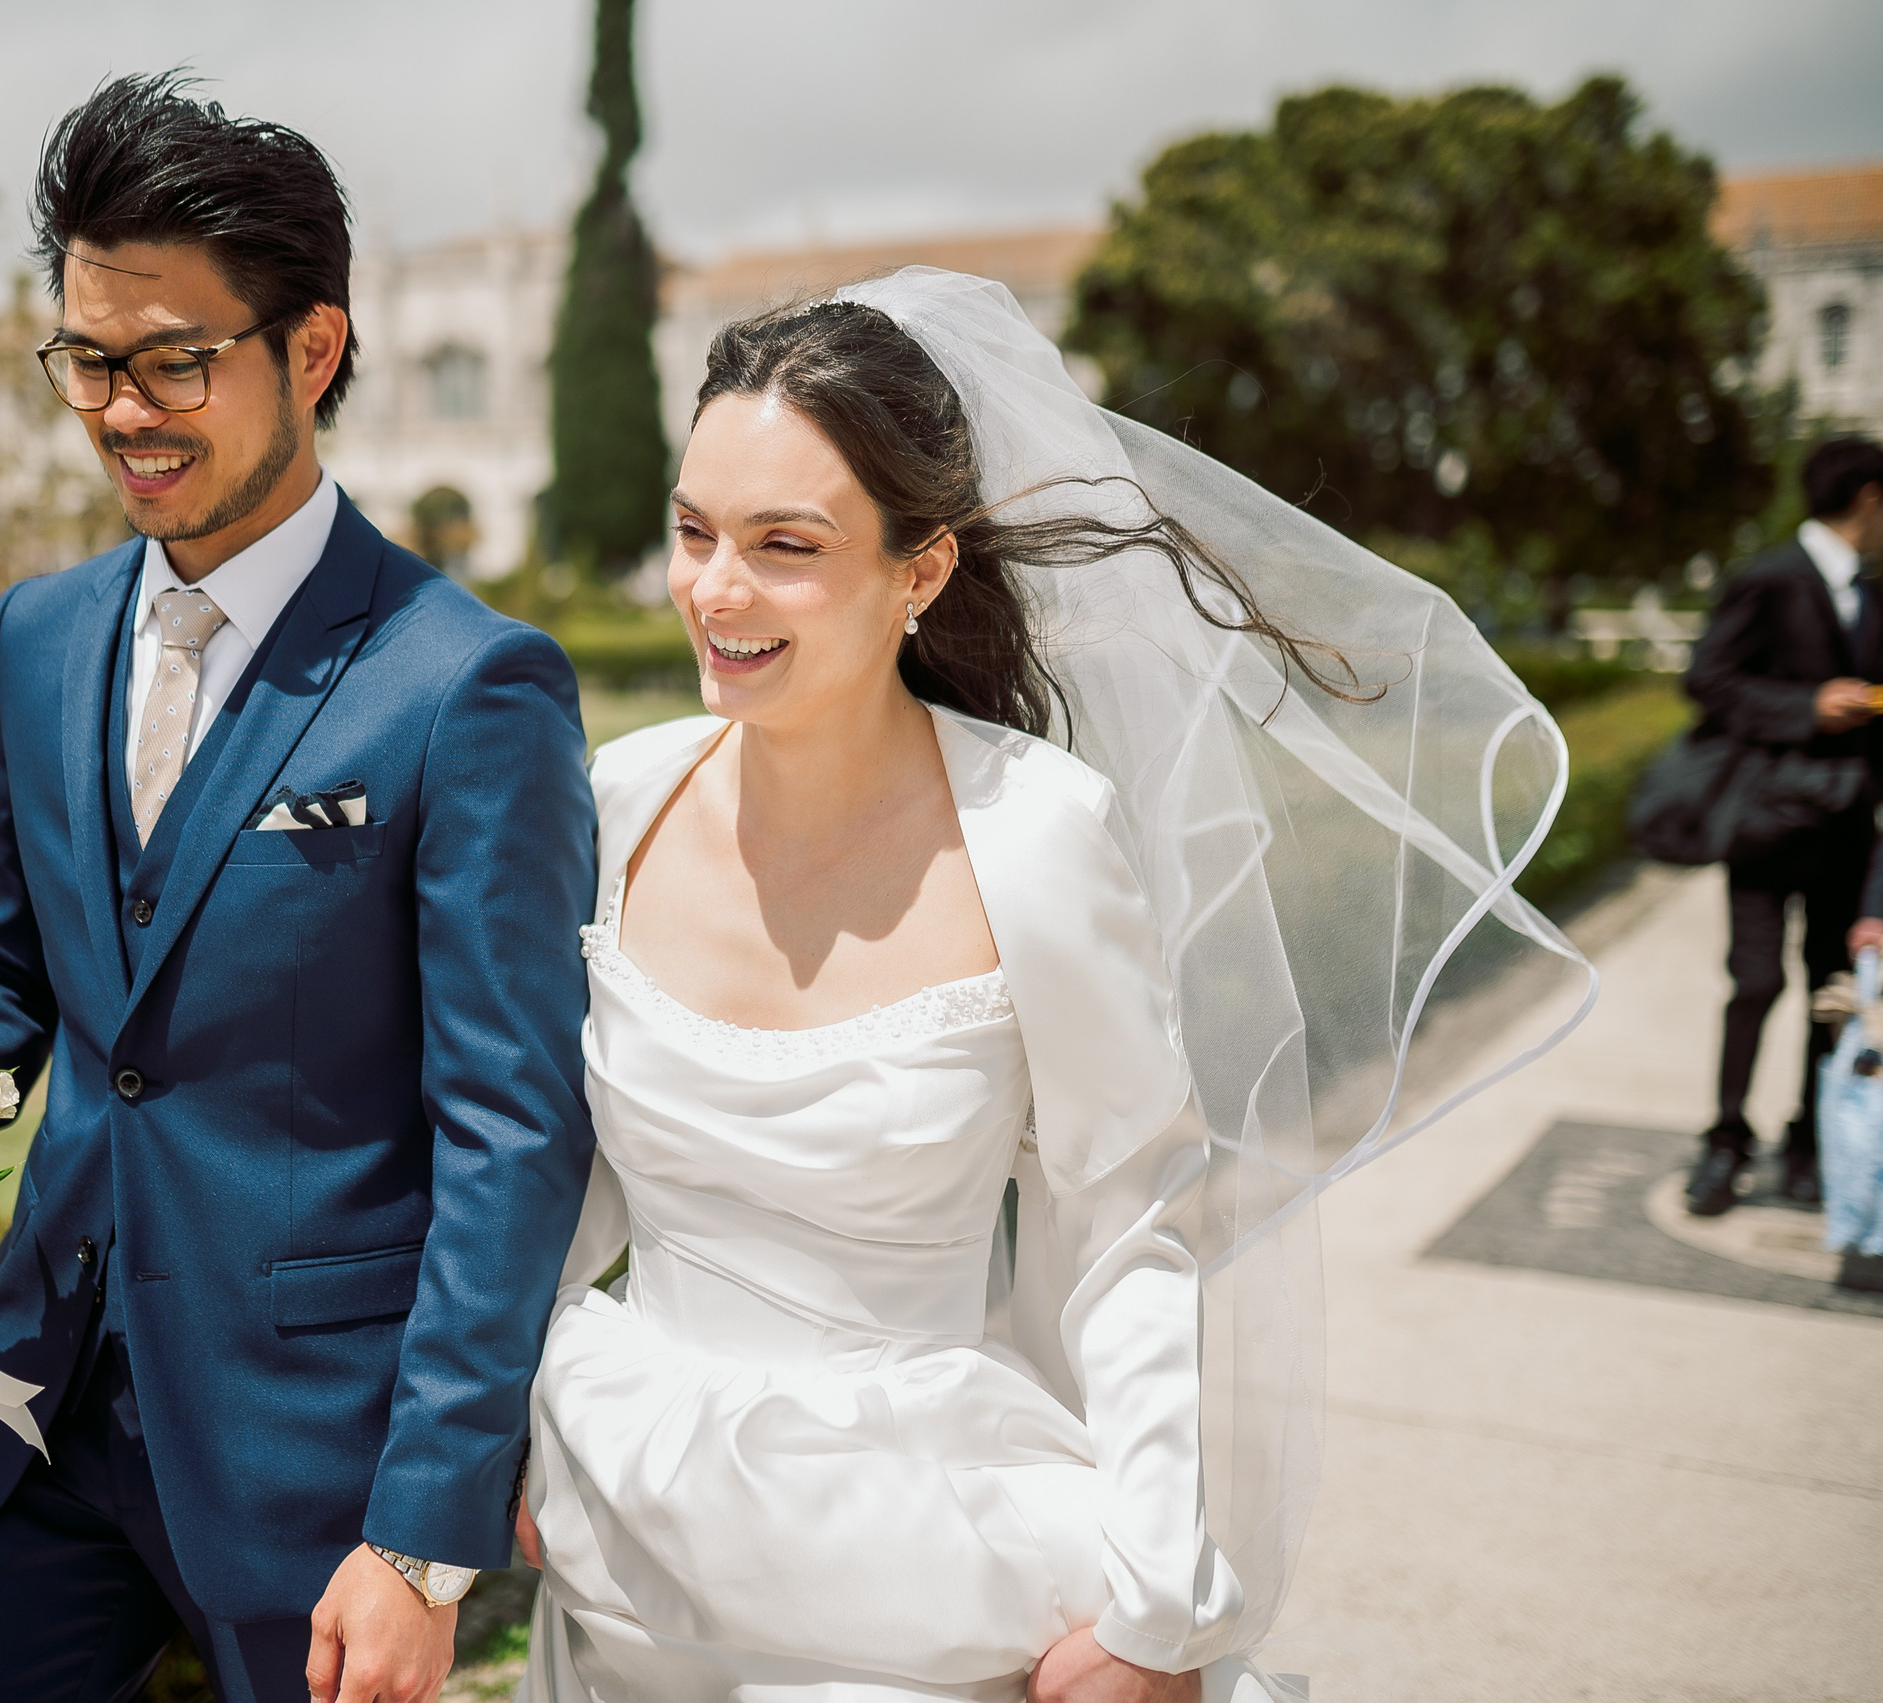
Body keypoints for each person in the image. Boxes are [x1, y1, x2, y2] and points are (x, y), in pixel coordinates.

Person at [510, 272, 1588, 1702]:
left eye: (786, 543)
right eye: (694, 531)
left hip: (913, 1561)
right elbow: (564, 1169)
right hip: (626, 1526)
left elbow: (1130, 1224)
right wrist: (507, 1434)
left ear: (922, 570)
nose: (715, 588)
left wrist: (1155, 1602)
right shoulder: (623, 797)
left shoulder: (1038, 833)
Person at [0, 76, 597, 1703]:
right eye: (88, 358)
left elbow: (516, 1130)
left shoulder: (468, 686)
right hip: (42, 1404)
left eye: (175, 359)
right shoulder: (38, 632)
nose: (124, 406)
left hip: (320, 1467)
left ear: (313, 350)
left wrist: (424, 1530)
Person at [1683, 434, 1883, 1217]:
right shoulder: (1766, 578)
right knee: (1756, 982)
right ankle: (1726, 1139)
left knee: (1830, 991)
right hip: (1765, 822)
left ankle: (1809, 1143)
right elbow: (1708, 680)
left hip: (1845, 828)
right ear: (1869, 498)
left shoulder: (1875, 592)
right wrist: (1804, 707)